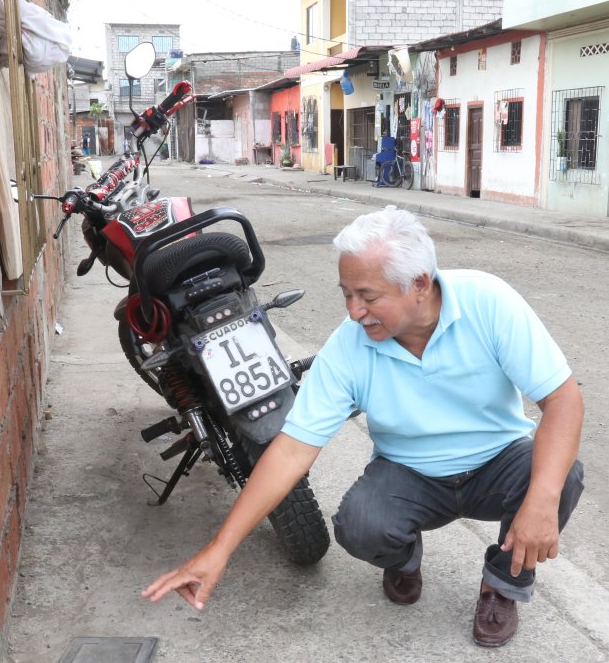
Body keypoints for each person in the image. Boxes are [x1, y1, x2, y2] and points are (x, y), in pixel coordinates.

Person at [144, 207, 585, 648]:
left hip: (498, 462)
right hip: (409, 472)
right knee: (360, 525)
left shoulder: (489, 302)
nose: (355, 312)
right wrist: (219, 550)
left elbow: (563, 400)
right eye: (346, 295)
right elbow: (291, 451)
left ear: (419, 285)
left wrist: (541, 502)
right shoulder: (349, 346)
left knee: (559, 476)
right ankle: (405, 559)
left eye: (368, 296)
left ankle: (500, 587)